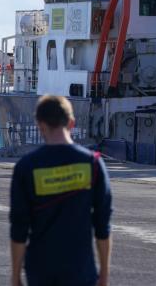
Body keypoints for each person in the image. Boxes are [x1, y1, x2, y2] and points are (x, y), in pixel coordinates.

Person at [10, 95, 113, 286]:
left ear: (40, 125)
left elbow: (19, 227)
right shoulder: (93, 164)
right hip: (80, 270)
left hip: (40, 270)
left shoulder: (26, 167)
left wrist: (15, 276)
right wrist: (104, 274)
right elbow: (103, 226)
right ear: (71, 123)